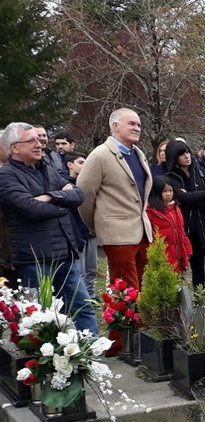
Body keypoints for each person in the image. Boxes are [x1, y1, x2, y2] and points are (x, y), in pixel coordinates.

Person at [0, 122, 98, 335]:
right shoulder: (6, 176)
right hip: (35, 259)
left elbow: (78, 195)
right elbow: (30, 209)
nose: (39, 144)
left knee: (83, 308)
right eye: (31, 141)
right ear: (15, 147)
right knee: (40, 318)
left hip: (64, 253)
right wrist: (63, 203)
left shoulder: (46, 168)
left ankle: (93, 352)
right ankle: (48, 357)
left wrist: (49, 197)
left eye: (39, 139)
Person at [77, 108, 154, 288]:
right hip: (117, 234)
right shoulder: (100, 155)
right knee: (126, 289)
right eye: (132, 124)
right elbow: (84, 193)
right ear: (115, 126)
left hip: (142, 233)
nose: (137, 128)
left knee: (143, 287)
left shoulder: (138, 154)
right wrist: (97, 225)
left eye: (139, 125)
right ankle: (127, 310)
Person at [163, 139, 205, 287]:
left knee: (199, 265)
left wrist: (194, 196)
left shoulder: (200, 172)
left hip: (200, 225)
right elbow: (181, 198)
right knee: (177, 264)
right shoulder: (171, 176)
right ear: (174, 157)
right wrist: (202, 194)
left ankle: (200, 295)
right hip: (182, 225)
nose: (186, 156)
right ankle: (178, 296)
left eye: (187, 152)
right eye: (181, 154)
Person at [63, 152, 98, 298]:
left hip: (91, 230)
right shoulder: (64, 184)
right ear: (70, 164)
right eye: (81, 162)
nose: (85, 165)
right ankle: (82, 298)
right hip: (77, 232)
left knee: (92, 268)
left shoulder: (90, 182)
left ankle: (91, 296)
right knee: (80, 269)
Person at [146, 177, 192, 273]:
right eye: (164, 191)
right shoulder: (151, 212)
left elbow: (182, 232)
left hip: (178, 255)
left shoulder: (176, 209)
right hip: (162, 255)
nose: (168, 194)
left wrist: (187, 251)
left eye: (170, 191)